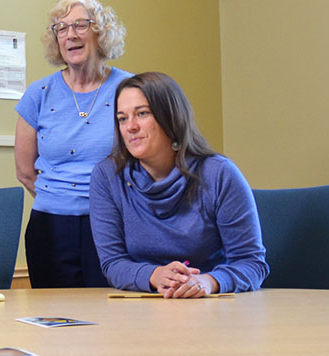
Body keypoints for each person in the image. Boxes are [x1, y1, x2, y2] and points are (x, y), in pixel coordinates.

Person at [89, 72, 268, 297]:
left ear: (170, 117)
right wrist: (155, 275)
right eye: (122, 118)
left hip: (211, 308)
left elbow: (252, 264)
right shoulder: (107, 176)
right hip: (140, 308)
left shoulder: (220, 174)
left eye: (142, 114)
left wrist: (208, 281)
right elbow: (113, 264)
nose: (130, 127)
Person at [14, 0, 133, 288]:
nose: (70, 35)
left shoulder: (129, 89)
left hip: (112, 224)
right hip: (50, 227)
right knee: (56, 322)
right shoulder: (38, 94)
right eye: (61, 28)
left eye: (80, 25)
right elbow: (25, 172)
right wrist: (64, 198)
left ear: (100, 32)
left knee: (112, 317)